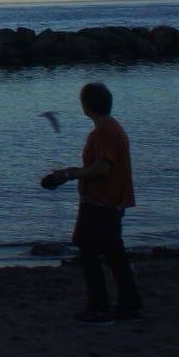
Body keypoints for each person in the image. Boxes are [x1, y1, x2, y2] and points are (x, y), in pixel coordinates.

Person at [41, 81, 142, 323]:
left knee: (90, 255)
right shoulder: (111, 128)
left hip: (102, 203)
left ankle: (100, 308)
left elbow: (102, 169)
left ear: (87, 106)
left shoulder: (105, 132)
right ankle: (129, 306)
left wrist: (68, 174)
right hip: (109, 202)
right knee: (114, 255)